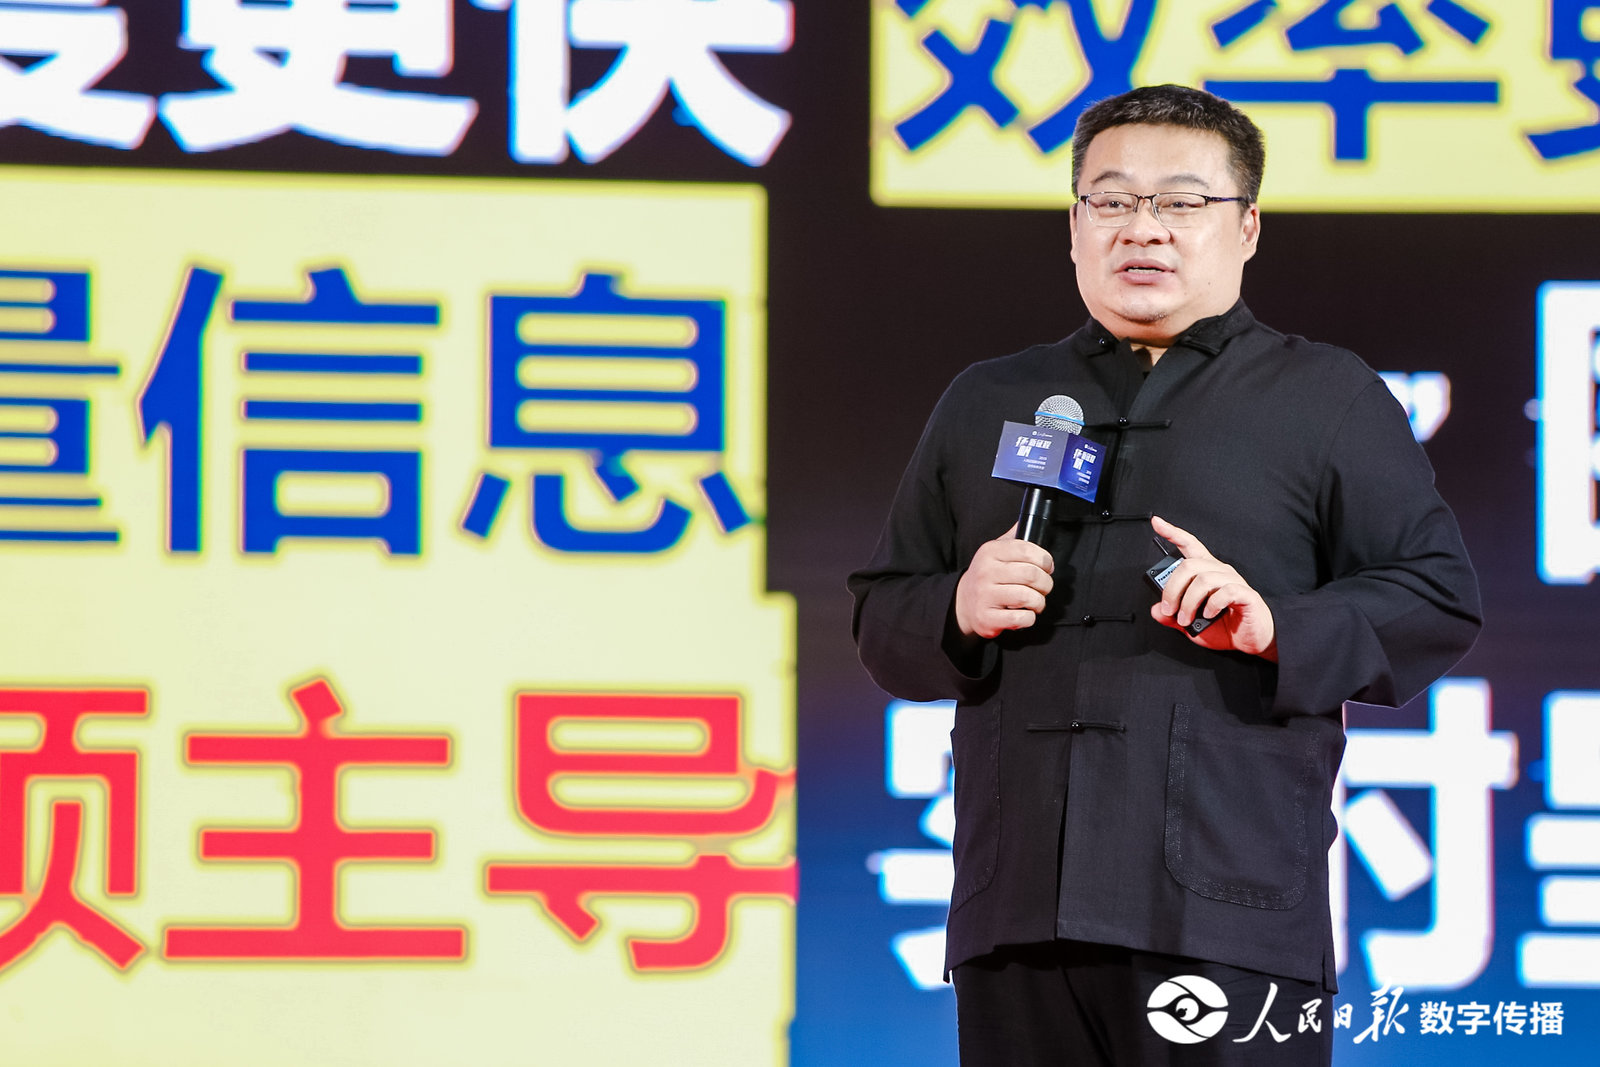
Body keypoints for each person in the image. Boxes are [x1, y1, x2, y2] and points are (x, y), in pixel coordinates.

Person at [847, 85, 1481, 1065]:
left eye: (1181, 202)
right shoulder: (991, 398)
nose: (1142, 228)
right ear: (1074, 226)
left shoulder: (1326, 396)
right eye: (1111, 200)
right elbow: (883, 609)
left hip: (1228, 913)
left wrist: (1274, 626)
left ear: (1247, 226)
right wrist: (957, 605)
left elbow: (1434, 595)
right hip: (1019, 911)